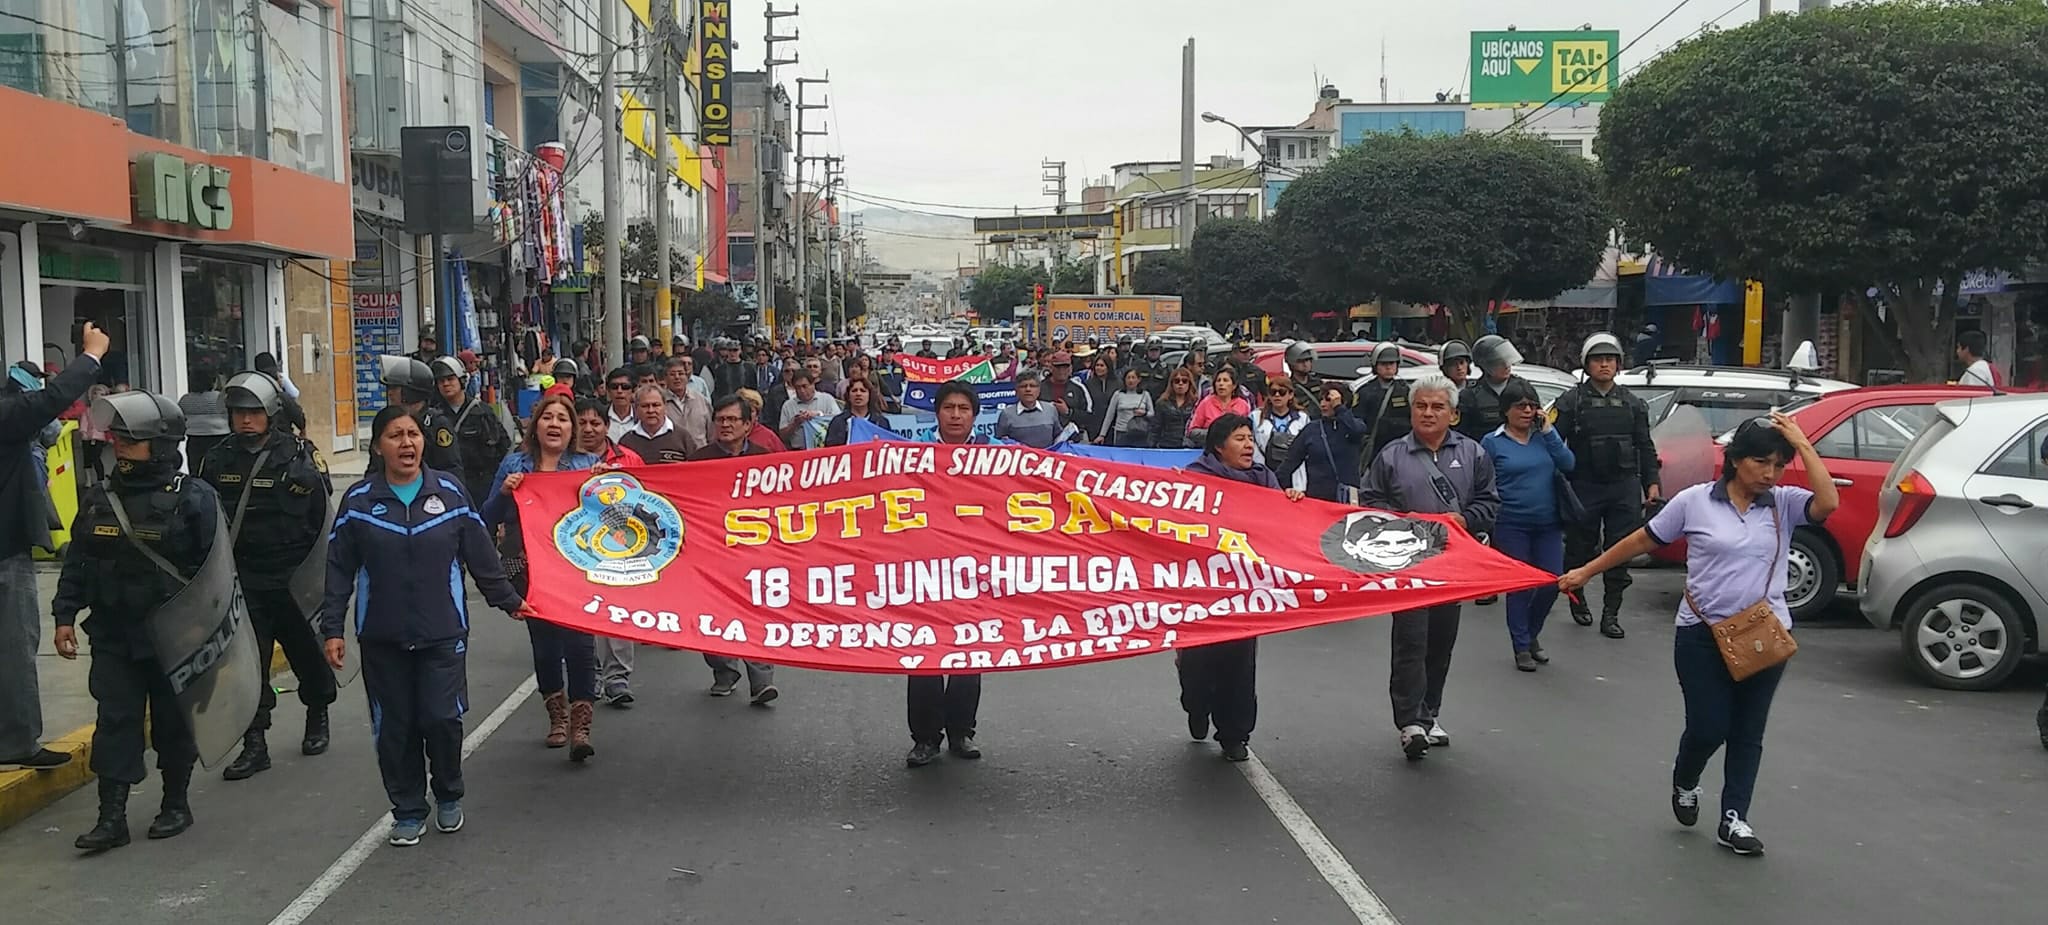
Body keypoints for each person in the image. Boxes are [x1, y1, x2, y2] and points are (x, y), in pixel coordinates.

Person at [1560, 412, 1838, 858]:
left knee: (1749, 731)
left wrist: (1803, 443)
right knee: (1709, 727)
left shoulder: (1782, 503)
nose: (1770, 473)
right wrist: (1586, 572)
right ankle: (1686, 779)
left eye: (1778, 465)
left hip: (1764, 634)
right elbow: (1641, 541)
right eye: (1761, 462)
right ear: (1735, 461)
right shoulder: (1695, 502)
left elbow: (1828, 505)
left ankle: (1734, 818)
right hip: (1701, 633)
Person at [321, 405, 532, 847]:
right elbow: (339, 568)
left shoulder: (451, 493)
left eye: (413, 434)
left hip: (443, 634)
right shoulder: (358, 502)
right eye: (395, 436)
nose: (407, 443)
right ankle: (408, 809)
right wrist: (333, 629)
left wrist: (511, 601)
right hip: (382, 636)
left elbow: (480, 556)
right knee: (394, 727)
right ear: (378, 446)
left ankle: (449, 794)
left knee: (441, 719)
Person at [52, 391, 217, 852]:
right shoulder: (99, 497)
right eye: (117, 437)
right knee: (115, 722)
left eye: (131, 439)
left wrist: (207, 636)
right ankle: (111, 818)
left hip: (173, 638)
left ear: (162, 445)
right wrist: (64, 615)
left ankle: (175, 804)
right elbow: (78, 562)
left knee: (172, 724)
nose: (119, 445)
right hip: (114, 635)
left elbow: (216, 572)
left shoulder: (195, 498)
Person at [197, 372, 337, 780]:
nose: (245, 420)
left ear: (270, 413)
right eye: (238, 412)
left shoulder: (298, 455)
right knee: (247, 666)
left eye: (254, 412)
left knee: (308, 655)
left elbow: (320, 519)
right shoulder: (217, 458)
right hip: (243, 580)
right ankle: (254, 742)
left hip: (292, 578)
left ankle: (318, 713)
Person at [1361, 374, 1500, 760]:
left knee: (1441, 642)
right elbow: (1370, 504)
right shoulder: (1391, 455)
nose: (1428, 413)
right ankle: (1409, 722)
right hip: (1406, 564)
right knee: (1410, 640)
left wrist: (1465, 520)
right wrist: (1403, 521)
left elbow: (1490, 503)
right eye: (1421, 405)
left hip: (1452, 568)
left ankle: (1430, 712)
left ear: (1453, 415)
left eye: (1437, 406)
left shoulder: (1474, 454)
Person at [0, 322, 106, 772]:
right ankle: (19, 742)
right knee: (15, 649)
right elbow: (50, 400)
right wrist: (92, 355)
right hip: (5, 554)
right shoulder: (8, 415)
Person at [1178, 414, 1304, 761]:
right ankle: (1197, 706)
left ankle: (1235, 734)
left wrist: (1290, 499)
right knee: (1198, 666)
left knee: (1239, 664)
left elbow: (1281, 523)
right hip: (1203, 590)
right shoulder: (1196, 478)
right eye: (1239, 438)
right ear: (1219, 446)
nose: (1249, 445)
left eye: (1250, 438)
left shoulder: (1264, 479)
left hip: (1246, 589)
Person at [483, 395, 604, 746]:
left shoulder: (587, 464)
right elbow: (486, 518)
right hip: (530, 572)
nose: (554, 424)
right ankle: (557, 716)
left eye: (562, 419)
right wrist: (505, 494)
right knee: (546, 647)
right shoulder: (513, 465)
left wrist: (605, 486)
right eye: (547, 417)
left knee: (581, 645)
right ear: (535, 426)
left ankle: (582, 726)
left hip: (577, 570)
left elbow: (615, 521)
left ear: (572, 429)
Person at [1551, 332, 1661, 638]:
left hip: (1623, 486)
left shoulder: (1632, 403)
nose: (1604, 365)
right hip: (1584, 485)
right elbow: (1551, 440)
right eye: (1598, 360)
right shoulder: (1570, 401)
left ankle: (1611, 613)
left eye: (1610, 360)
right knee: (1579, 548)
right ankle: (1577, 597)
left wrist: (1652, 482)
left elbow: (1645, 446)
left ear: (1618, 364)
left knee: (1620, 550)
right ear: (1587, 364)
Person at [905, 381, 989, 768]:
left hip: (975, 569)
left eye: (963, 409)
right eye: (949, 408)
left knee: (969, 652)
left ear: (975, 415)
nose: (956, 415)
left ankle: (961, 732)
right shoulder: (911, 455)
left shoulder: (996, 457)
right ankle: (925, 738)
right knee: (924, 653)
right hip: (922, 565)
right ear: (936, 413)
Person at [688, 395, 782, 703]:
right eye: (721, 420)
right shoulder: (700, 460)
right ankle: (723, 669)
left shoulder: (763, 458)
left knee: (755, 612)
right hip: (711, 551)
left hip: (754, 551)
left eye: (732, 420)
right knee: (712, 616)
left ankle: (761, 680)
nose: (725, 425)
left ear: (748, 424)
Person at [1481, 379, 1574, 672]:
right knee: (1520, 587)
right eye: (1520, 406)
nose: (1527, 411)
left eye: (1532, 405)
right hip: (1511, 524)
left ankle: (1531, 635)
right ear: (1506, 410)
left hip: (1548, 523)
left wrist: (1549, 431)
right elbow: (1483, 483)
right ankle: (1521, 646)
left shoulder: (1542, 438)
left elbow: (1568, 463)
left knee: (1552, 581)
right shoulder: (1493, 442)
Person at [433, 356, 510, 501]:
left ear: (461, 380)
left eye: (450, 379)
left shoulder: (482, 411)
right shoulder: (434, 417)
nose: (446, 384)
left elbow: (503, 446)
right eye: (441, 381)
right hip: (447, 487)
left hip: (481, 487)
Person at [1276, 381, 1366, 502]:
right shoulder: (1311, 429)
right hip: (1318, 500)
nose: (1323, 404)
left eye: (1328, 400)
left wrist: (1339, 408)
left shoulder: (1354, 425)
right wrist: (1287, 489)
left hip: (1347, 499)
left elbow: (1356, 430)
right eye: (1321, 400)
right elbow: (1288, 465)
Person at [380, 356, 462, 474]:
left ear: (411, 391)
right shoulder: (387, 423)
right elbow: (375, 468)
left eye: (395, 387)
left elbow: (452, 469)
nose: (390, 393)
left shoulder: (436, 424)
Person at [1456, 335, 1527, 440]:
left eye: (1507, 359)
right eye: (1500, 362)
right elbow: (1461, 435)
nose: (1507, 365)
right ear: (1486, 365)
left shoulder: (1523, 388)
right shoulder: (1469, 396)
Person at [1353, 342, 1413, 465]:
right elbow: (1357, 423)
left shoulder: (1406, 390)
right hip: (1375, 451)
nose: (1388, 367)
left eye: (1392, 363)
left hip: (1401, 450)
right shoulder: (1365, 392)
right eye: (1384, 364)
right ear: (1375, 365)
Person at [1249, 375, 1309, 476]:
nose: (1277, 395)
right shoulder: (1255, 416)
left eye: (1282, 392)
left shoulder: (1303, 418)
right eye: (1273, 392)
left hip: (1295, 474)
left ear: (1290, 395)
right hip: (1264, 470)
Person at [619, 385, 691, 464]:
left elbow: (695, 469)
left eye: (656, 405)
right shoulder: (626, 442)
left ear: (665, 406)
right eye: (645, 406)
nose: (651, 410)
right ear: (636, 409)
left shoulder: (683, 437)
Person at [996, 369, 1065, 448]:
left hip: (1047, 458)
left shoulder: (1050, 409)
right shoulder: (1007, 414)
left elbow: (1058, 436)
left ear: (1039, 390)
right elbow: (999, 443)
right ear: (1016, 391)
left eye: (1032, 386)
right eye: (1023, 386)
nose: (1028, 389)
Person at [777, 366, 841, 449]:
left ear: (813, 384)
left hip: (824, 449)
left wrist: (819, 415)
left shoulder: (827, 399)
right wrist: (795, 424)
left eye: (804, 386)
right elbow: (782, 436)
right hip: (799, 451)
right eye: (798, 387)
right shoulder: (788, 405)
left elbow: (838, 423)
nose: (802, 391)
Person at [661, 356, 713, 454]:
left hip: (701, 456)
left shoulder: (700, 400)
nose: (677, 377)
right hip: (672, 458)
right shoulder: (660, 402)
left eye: (681, 374)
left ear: (687, 377)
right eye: (672, 374)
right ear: (665, 378)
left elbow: (711, 433)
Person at [574, 397, 644, 468]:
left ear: (607, 426)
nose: (588, 429)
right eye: (581, 423)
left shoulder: (631, 460)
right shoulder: (563, 461)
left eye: (595, 424)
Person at [1187, 367, 1249, 446]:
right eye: (1218, 380)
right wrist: (1214, 433)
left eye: (1225, 380)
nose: (1221, 384)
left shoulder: (1243, 405)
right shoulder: (1205, 403)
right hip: (1210, 451)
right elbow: (1192, 432)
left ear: (1234, 386)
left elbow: (1248, 432)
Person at [824, 375, 891, 447]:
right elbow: (830, 449)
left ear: (869, 395)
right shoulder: (838, 421)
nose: (858, 394)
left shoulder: (881, 422)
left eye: (863, 391)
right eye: (854, 390)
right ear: (848, 396)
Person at [1099, 367, 1156, 447]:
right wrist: (1102, 435)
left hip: (1139, 433)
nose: (1131, 380)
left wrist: (1144, 413)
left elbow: (1152, 413)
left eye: (1133, 378)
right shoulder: (1118, 394)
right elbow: (1109, 415)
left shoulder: (1145, 394)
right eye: (1128, 378)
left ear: (1138, 380)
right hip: (1121, 433)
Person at [1043, 351, 1092, 438]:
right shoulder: (1039, 387)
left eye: (1065, 367)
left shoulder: (1079, 388)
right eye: (1058, 367)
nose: (1061, 370)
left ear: (1070, 368)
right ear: (1051, 367)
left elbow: (1089, 416)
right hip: (1045, 438)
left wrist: (1068, 412)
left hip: (1072, 439)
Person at [1152, 368, 1198, 449]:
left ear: (1189, 383)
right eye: (1177, 381)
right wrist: (1152, 447)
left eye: (1184, 381)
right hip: (1166, 445)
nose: (1180, 384)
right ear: (1172, 384)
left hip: (1189, 446)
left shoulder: (1196, 404)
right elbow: (1155, 428)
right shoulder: (1162, 403)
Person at [1079, 355, 1115, 441]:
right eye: (1097, 365)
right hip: (1093, 426)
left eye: (1102, 365)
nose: (1099, 368)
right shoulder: (1088, 384)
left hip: (1112, 426)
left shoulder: (1117, 383)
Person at [1283, 341, 1321, 410]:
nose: (1305, 364)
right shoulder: (1288, 387)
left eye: (1307, 360)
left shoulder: (1318, 383)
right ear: (1291, 363)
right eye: (1300, 361)